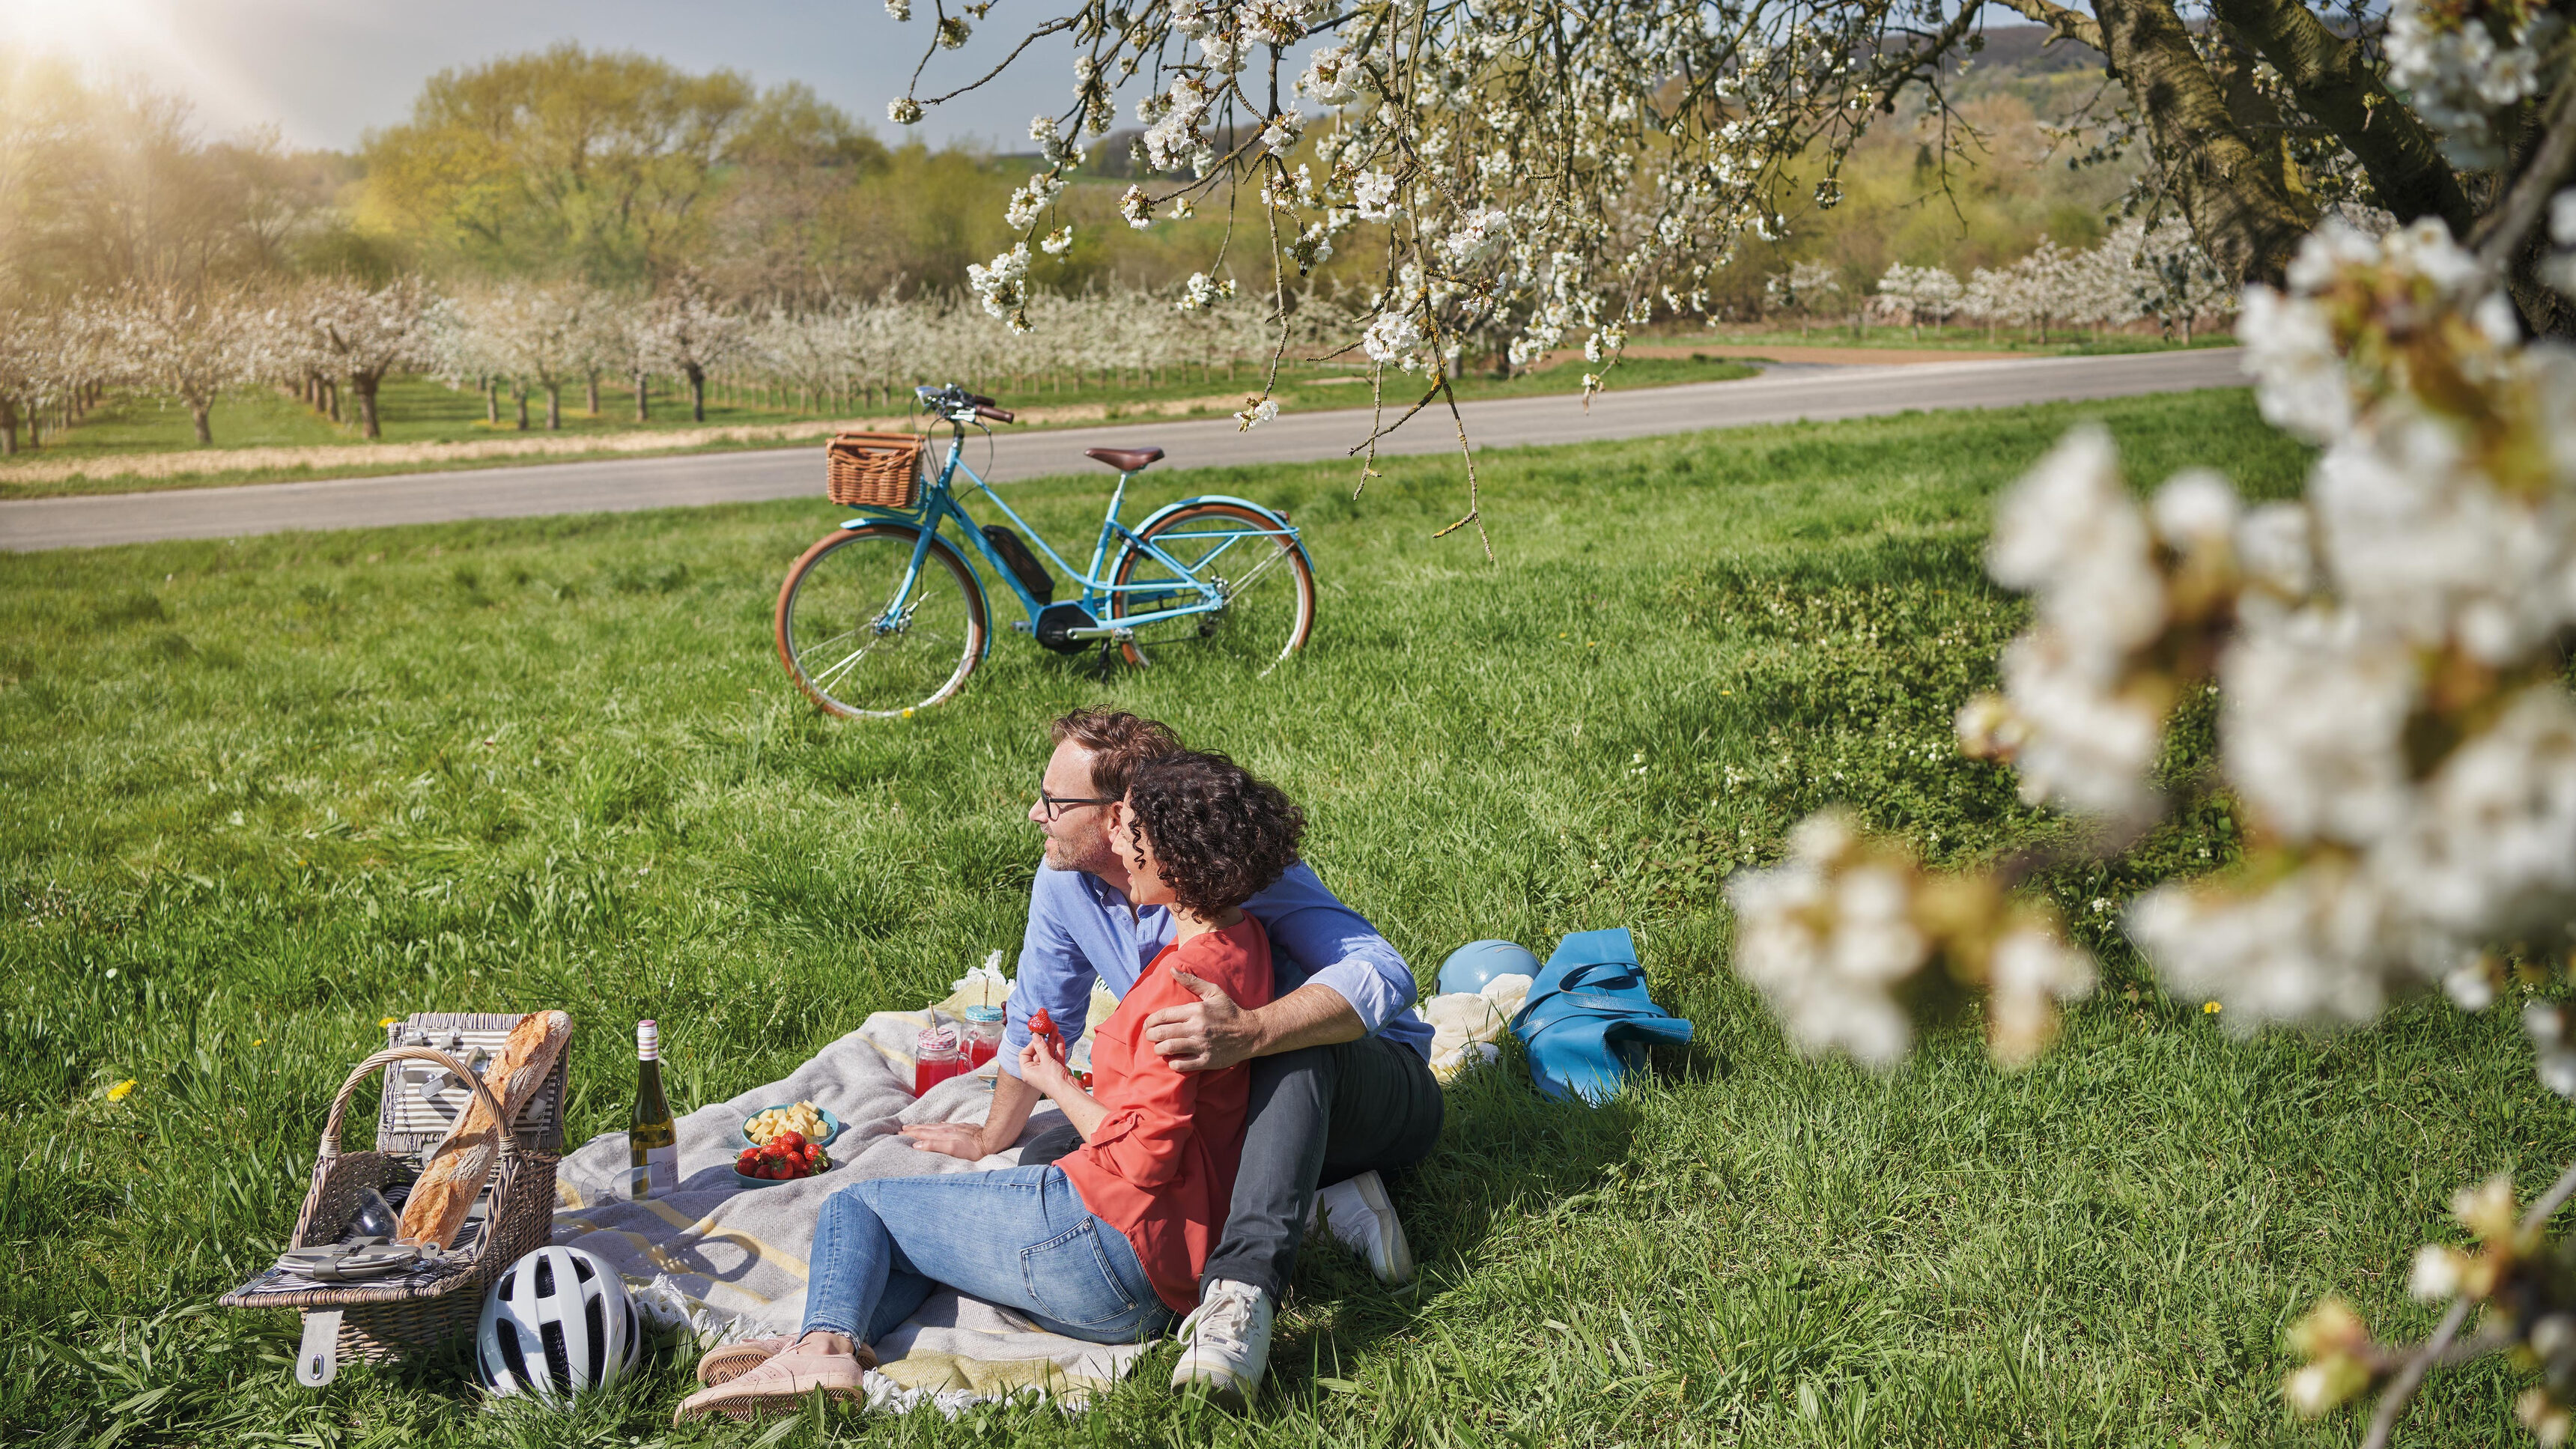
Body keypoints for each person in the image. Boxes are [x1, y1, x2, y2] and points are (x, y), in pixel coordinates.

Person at [674, 750, 1301, 1423]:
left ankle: (819, 1347)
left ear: (1174, 862)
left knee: (860, 1210)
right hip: (1169, 1267)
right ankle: (829, 1344)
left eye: (1133, 833)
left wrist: (1055, 1083)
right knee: (915, 1242)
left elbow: (1144, 1156)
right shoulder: (1246, 942)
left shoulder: (1177, 990)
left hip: (1109, 1247)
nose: (1119, 840)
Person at [904, 709, 1443, 1408]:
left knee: (1289, 1048)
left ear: (1121, 816)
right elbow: (1041, 1017)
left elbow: (1384, 971)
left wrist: (1253, 1028)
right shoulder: (1064, 882)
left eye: (1055, 801)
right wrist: (990, 1136)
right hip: (1234, 1110)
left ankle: (1238, 1297)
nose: (1035, 813)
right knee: (1056, 1160)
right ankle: (1314, 1200)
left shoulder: (1231, 869)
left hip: (1373, 1092)